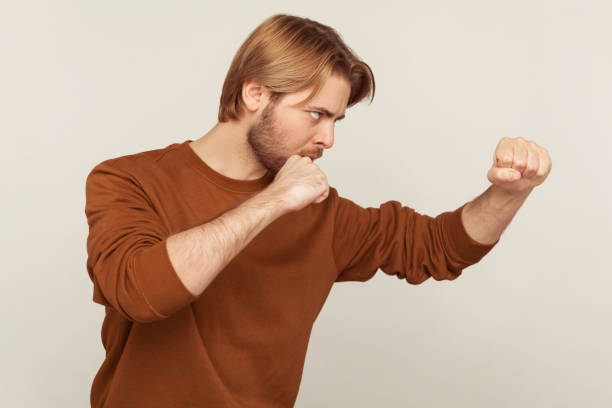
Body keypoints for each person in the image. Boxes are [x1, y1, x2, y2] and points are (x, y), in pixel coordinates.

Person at [84, 13, 551, 408]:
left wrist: (511, 193)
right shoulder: (128, 181)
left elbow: (437, 247)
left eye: (336, 119)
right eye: (316, 114)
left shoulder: (323, 213)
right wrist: (271, 202)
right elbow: (140, 292)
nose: (328, 139)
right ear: (255, 95)